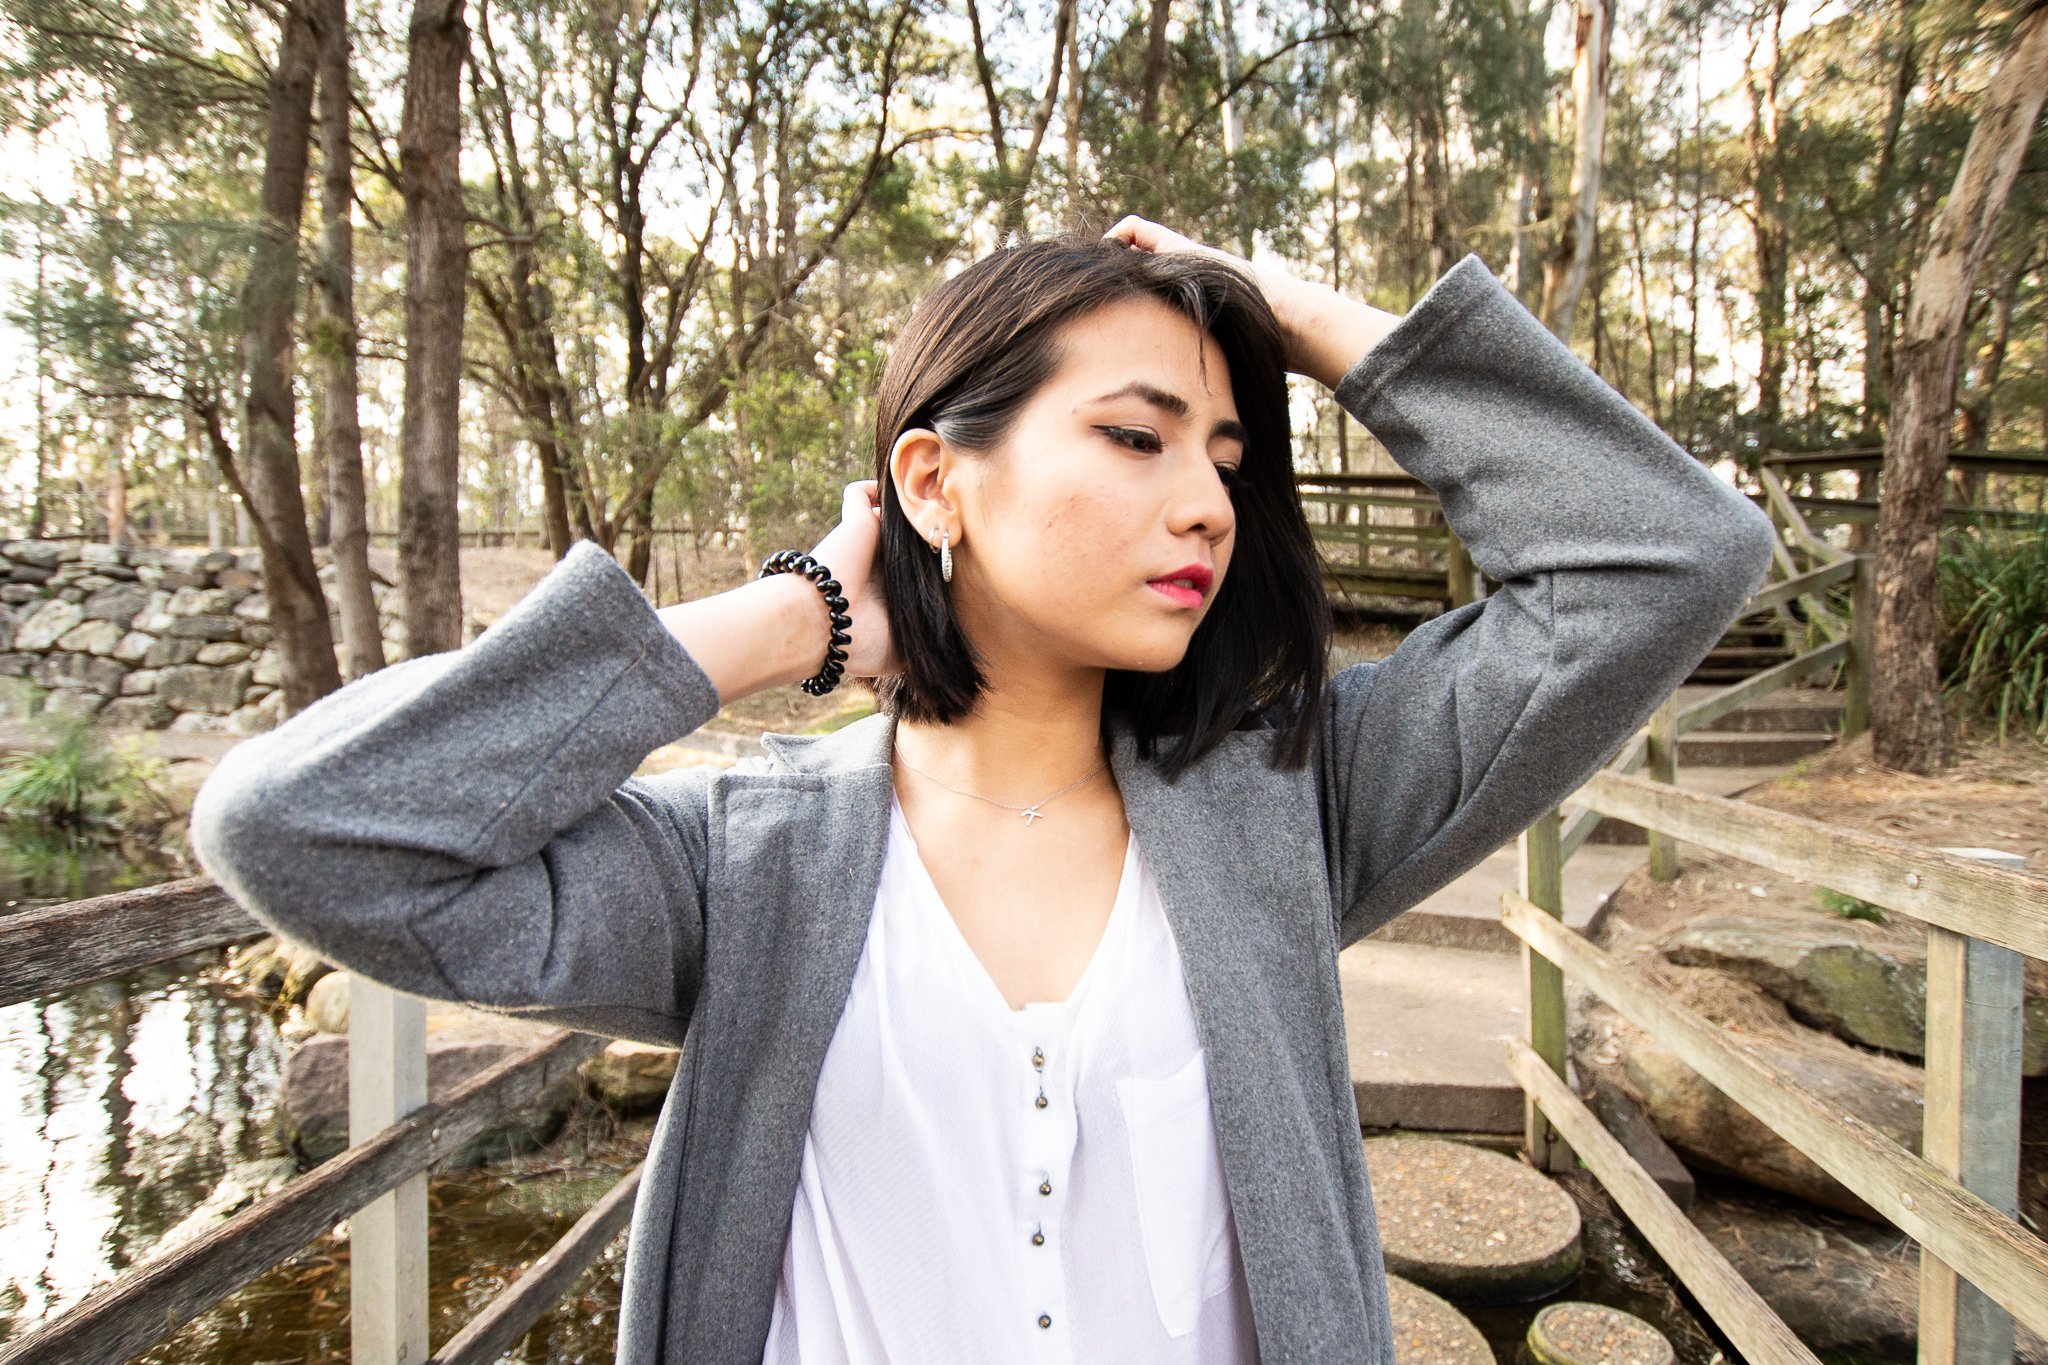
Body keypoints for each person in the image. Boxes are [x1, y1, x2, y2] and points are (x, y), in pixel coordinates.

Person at [190, 218, 1776, 1365]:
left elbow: (1665, 559)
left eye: (1227, 456)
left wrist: (1276, 305)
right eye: (1139, 435)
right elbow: (304, 830)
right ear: (936, 480)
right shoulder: (745, 864)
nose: (1206, 501)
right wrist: (784, 619)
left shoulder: (1298, 805)